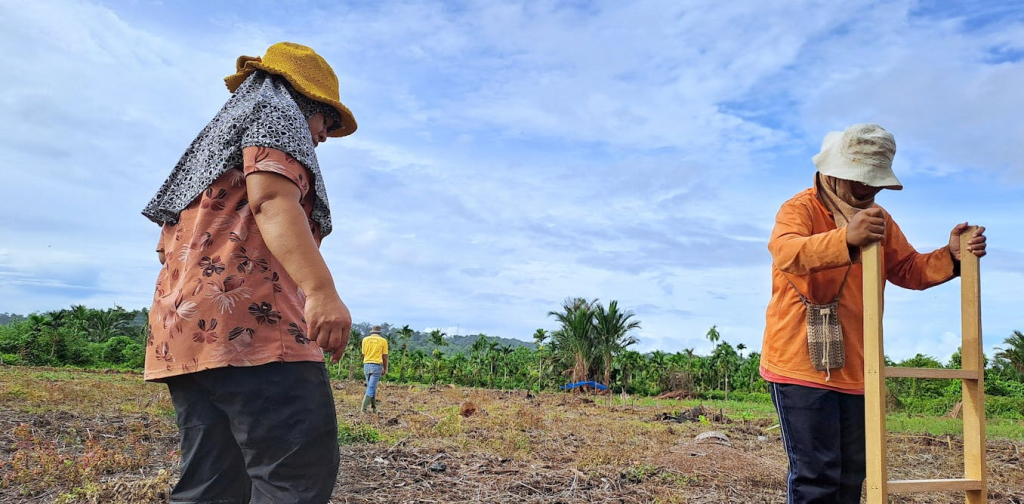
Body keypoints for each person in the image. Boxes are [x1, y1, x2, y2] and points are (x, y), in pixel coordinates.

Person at [141, 42, 356, 504]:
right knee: (294, 477)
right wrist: (320, 290)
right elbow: (273, 201)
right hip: (256, 334)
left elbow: (164, 250)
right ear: (306, 101)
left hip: (186, 339)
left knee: (210, 483)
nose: (323, 135)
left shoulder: (209, 153)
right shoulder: (276, 114)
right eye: (326, 121)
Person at [759, 123, 987, 503]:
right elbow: (786, 253)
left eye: (874, 183)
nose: (869, 190)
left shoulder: (878, 218)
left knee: (852, 476)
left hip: (858, 369)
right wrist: (846, 238)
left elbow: (908, 269)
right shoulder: (799, 208)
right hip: (799, 366)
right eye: (861, 181)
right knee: (817, 475)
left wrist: (950, 257)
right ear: (834, 172)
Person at [360, 325, 389, 413]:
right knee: (371, 387)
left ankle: (373, 408)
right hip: (376, 365)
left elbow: (363, 354)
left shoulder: (365, 340)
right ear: (380, 332)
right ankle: (363, 409)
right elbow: (384, 357)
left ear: (372, 332)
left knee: (371, 387)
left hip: (366, 365)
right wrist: (385, 368)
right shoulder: (383, 341)